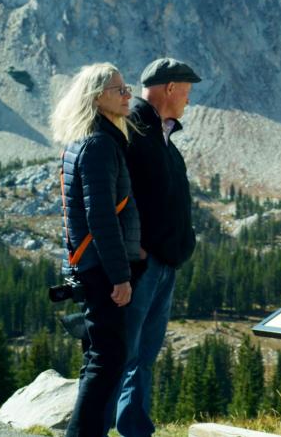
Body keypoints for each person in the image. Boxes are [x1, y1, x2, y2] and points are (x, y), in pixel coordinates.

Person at [110, 58, 201, 437]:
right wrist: (137, 250)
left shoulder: (162, 137)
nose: (188, 100)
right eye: (186, 91)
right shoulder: (132, 129)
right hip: (142, 264)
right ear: (168, 89)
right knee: (122, 353)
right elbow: (115, 194)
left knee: (143, 355)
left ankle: (134, 428)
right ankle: (96, 426)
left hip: (164, 263)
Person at [51, 63, 142, 437]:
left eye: (127, 88)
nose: (127, 95)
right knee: (108, 358)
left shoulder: (87, 140)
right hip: (103, 270)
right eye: (119, 90)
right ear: (96, 97)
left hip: (91, 266)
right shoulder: (100, 144)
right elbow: (101, 217)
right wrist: (120, 276)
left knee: (99, 356)